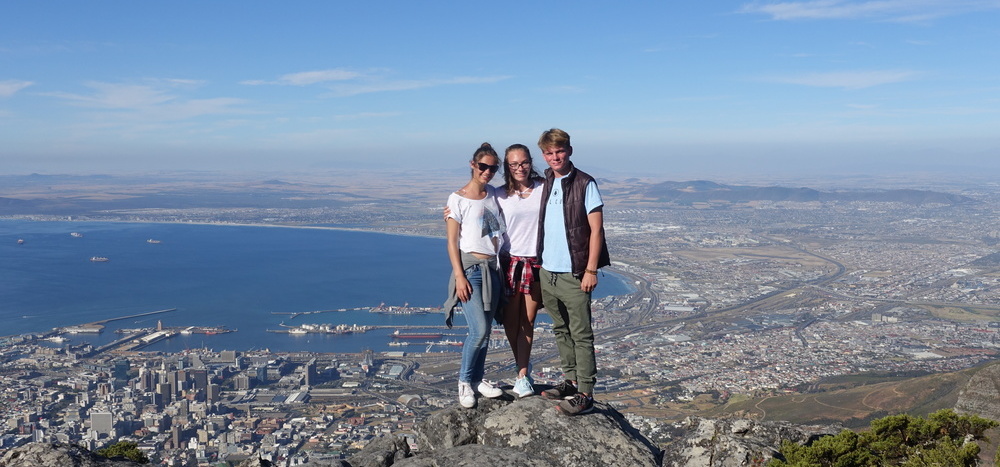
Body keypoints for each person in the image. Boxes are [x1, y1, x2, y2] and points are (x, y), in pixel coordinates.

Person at [535, 128, 611, 415]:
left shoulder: (584, 183)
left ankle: (585, 392)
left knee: (581, 334)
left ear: (569, 150)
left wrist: (591, 270)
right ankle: (569, 382)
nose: (555, 157)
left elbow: (596, 230)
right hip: (548, 271)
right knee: (560, 330)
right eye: (549, 153)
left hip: (574, 273)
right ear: (544, 154)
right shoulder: (545, 182)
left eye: (559, 151)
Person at [443, 143, 507, 408]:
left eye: (493, 168)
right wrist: (459, 277)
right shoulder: (456, 199)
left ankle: (479, 379)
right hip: (471, 270)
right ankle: (464, 382)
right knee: (478, 329)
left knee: (486, 330)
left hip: (493, 269)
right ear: (473, 164)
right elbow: (451, 242)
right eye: (483, 166)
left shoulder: (494, 194)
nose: (488, 172)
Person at [495, 144, 545, 398]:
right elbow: (475, 208)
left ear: (530, 162)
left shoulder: (544, 188)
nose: (519, 168)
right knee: (510, 321)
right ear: (507, 167)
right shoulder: (499, 194)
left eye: (523, 162)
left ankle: (522, 375)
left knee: (528, 319)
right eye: (513, 164)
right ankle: (522, 366)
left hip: (536, 262)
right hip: (509, 262)